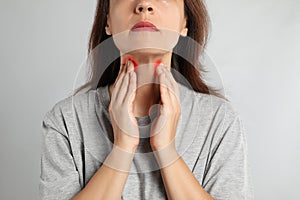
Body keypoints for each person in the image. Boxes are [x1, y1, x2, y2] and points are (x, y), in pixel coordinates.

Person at [39, 0, 254, 199]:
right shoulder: (66, 121)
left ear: (185, 23)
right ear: (107, 22)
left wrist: (167, 151)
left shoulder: (220, 121)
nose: (144, 5)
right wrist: (123, 147)